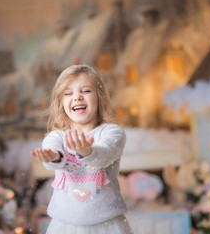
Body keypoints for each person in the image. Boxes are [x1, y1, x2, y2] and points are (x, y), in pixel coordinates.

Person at [30, 64, 133, 234]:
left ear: (99, 97)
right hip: (65, 226)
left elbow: (105, 154)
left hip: (108, 225)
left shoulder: (112, 132)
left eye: (85, 91)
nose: (77, 97)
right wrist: (54, 157)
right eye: (68, 93)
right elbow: (54, 154)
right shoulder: (56, 137)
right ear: (61, 102)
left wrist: (88, 151)